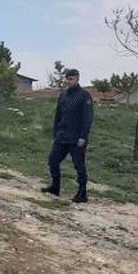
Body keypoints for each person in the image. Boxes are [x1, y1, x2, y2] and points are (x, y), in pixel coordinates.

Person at [40, 68, 93, 203]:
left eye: (71, 79)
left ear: (77, 79)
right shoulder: (63, 95)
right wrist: (55, 133)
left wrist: (83, 136)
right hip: (62, 136)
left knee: (79, 166)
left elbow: (87, 118)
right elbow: (58, 116)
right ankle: (55, 187)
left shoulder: (84, 95)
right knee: (53, 161)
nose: (68, 81)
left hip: (76, 138)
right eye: (67, 78)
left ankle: (82, 193)